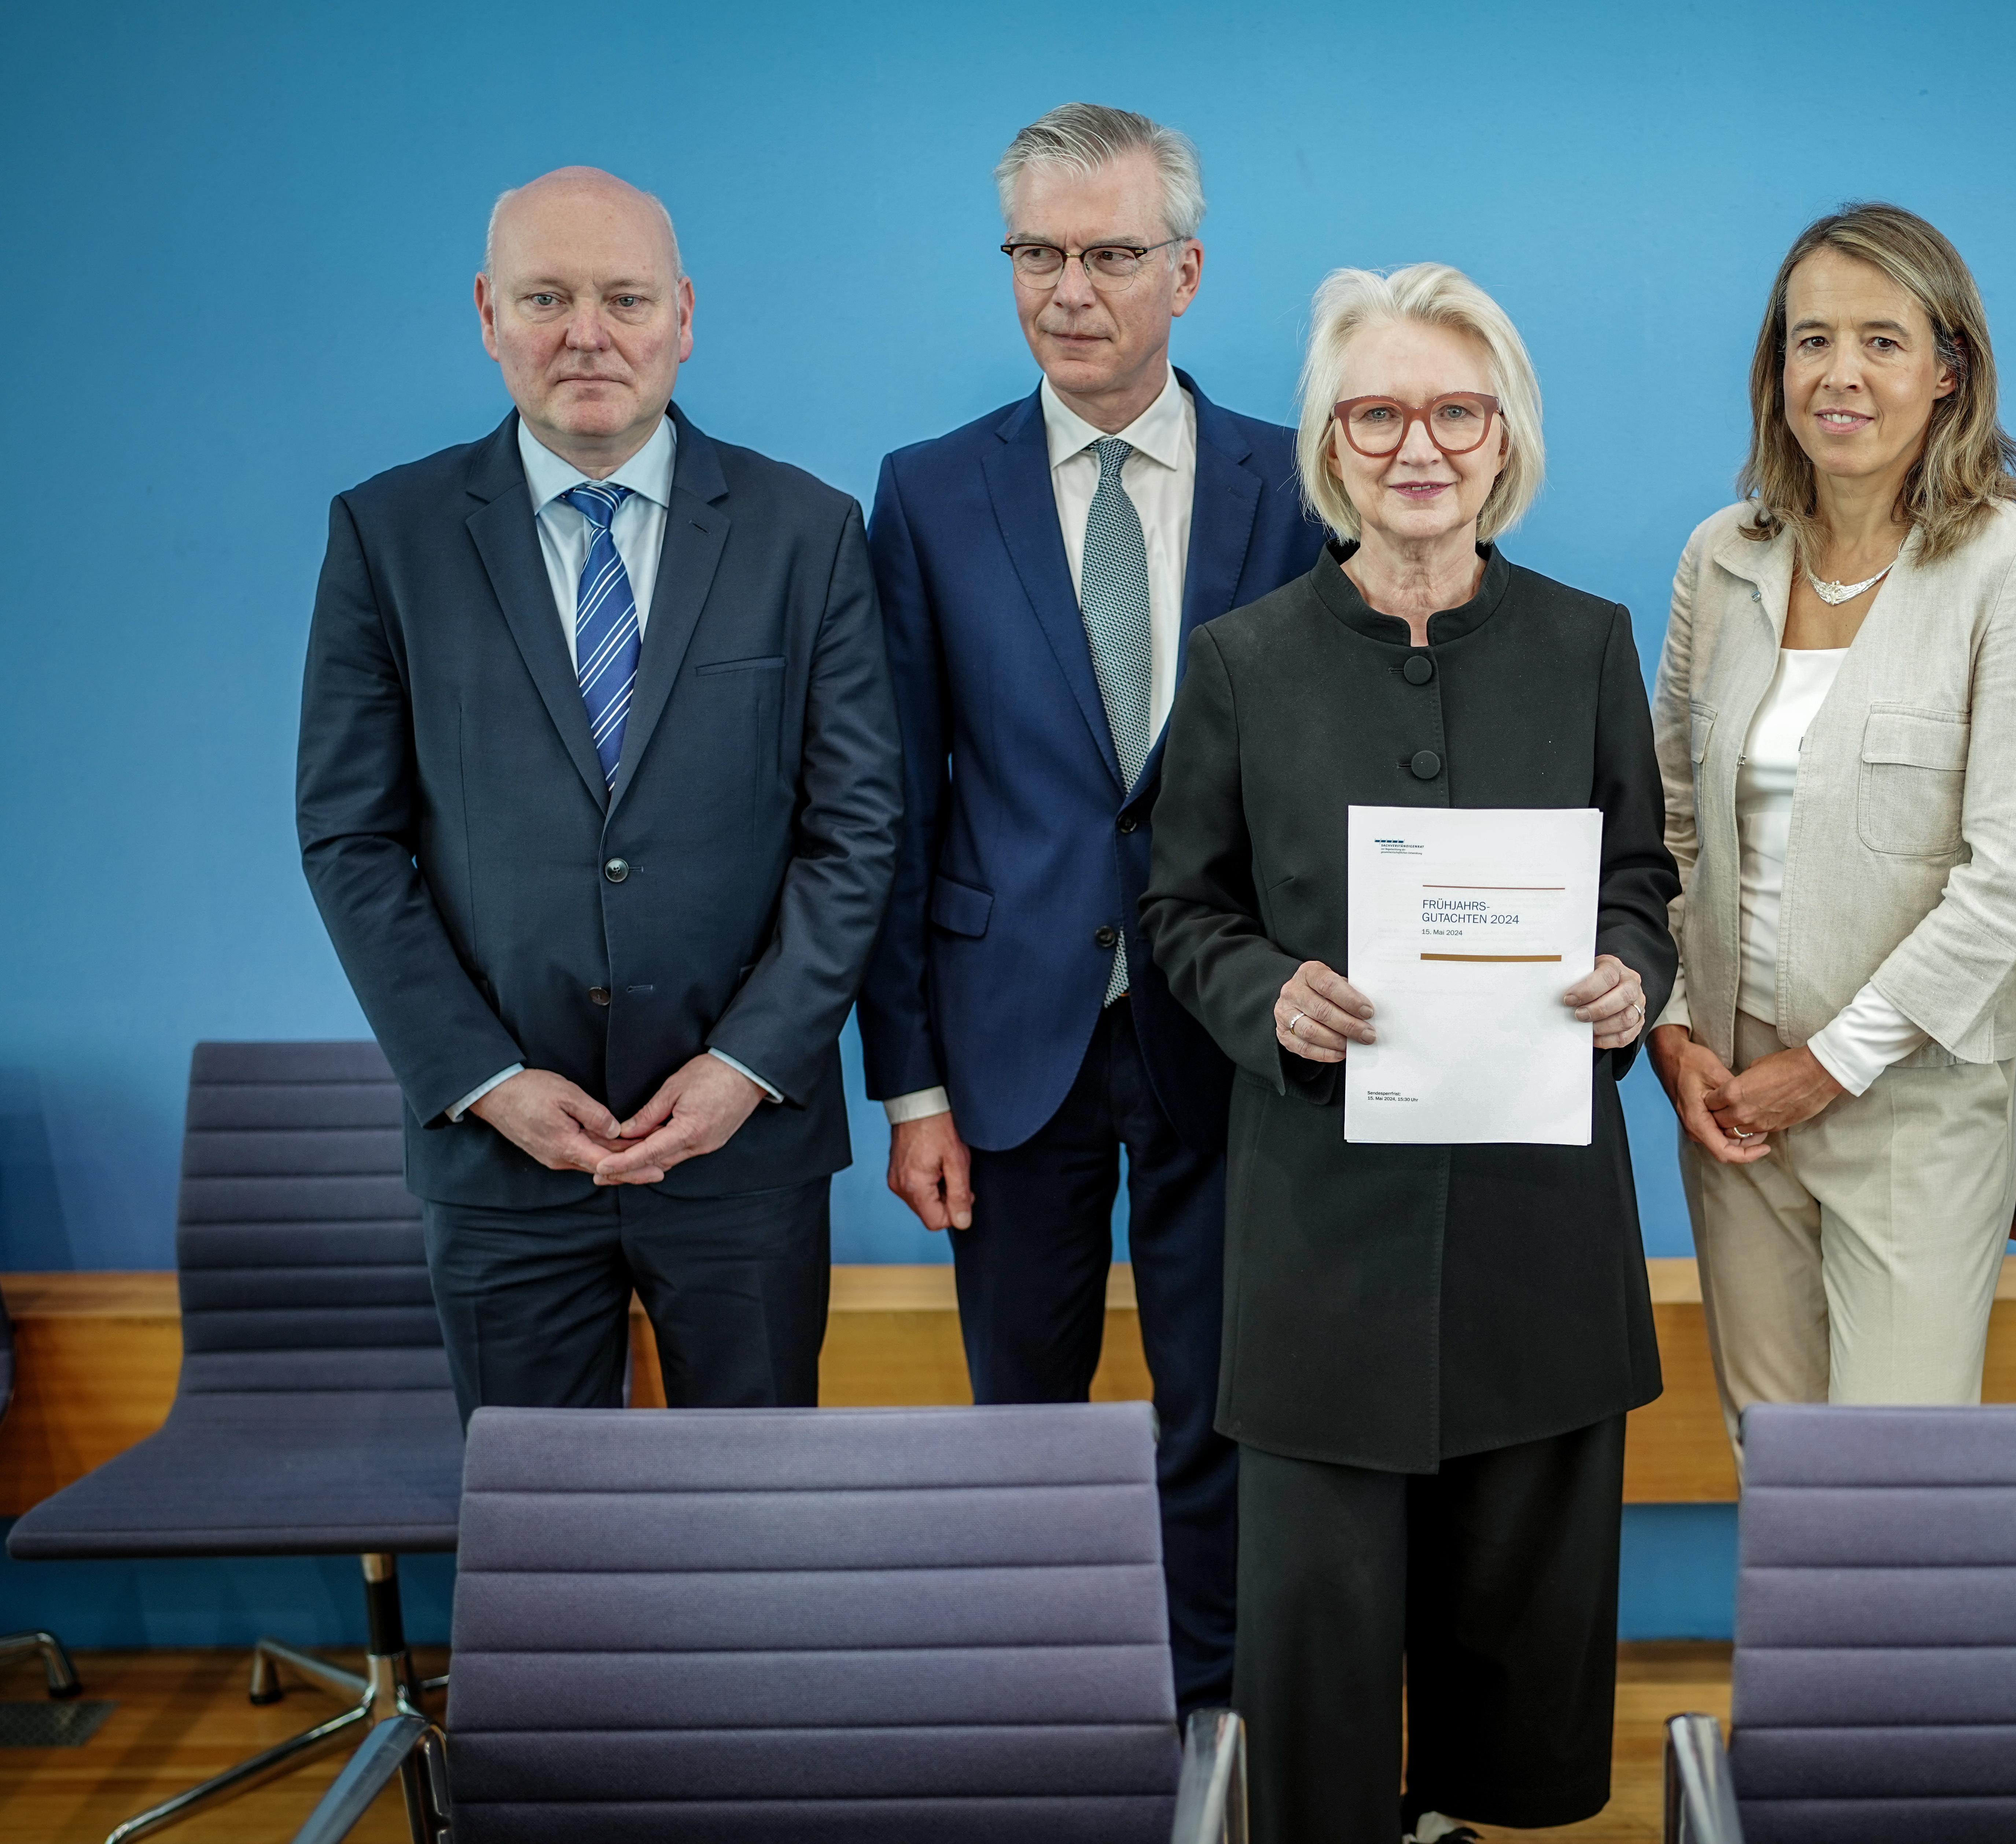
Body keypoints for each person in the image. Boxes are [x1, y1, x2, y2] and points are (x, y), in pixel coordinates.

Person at [1143, 261, 1677, 1844]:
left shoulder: (1588, 642)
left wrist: (1632, 978)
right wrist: (1268, 999)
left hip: (1538, 1218)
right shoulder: (1244, 660)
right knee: (1316, 1635)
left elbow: (1643, 882)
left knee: (1515, 1633)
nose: (1417, 445)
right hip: (1321, 1218)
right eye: (1377, 412)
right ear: (1330, 443)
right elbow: (1184, 909)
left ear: (1503, 438)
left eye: (1455, 409)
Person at [854, 104, 1324, 1712]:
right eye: (1039, 254)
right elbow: (898, 805)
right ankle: (1042, 1719)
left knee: (1221, 1410)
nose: (1072, 288)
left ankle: (1219, 1725)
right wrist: (908, 1081)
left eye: (1111, 253)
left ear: (1184, 272)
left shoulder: (1294, 477)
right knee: (1028, 1416)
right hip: (1007, 1042)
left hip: (1232, 1028)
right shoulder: (925, 493)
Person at [297, 167, 901, 1419]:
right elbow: (351, 839)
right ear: (486, 314)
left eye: (624, 297)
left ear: (683, 313)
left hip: (743, 1145)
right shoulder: (388, 535)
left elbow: (855, 833)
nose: (588, 334)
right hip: (498, 1151)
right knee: (539, 1540)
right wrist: (483, 1077)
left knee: (753, 1532)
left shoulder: (808, 530)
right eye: (547, 297)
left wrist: (749, 1061)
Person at [1646, 203, 2016, 1452]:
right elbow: (1666, 829)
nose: (1839, 374)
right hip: (1732, 1106)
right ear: (1774, 368)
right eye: (1811, 341)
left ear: (1948, 374)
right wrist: (1679, 1038)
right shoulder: (1719, 558)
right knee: (1771, 1463)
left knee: (1896, 1491)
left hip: (1911, 1108)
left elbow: (2009, 885)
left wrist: (1827, 1067)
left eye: (1881, 342)